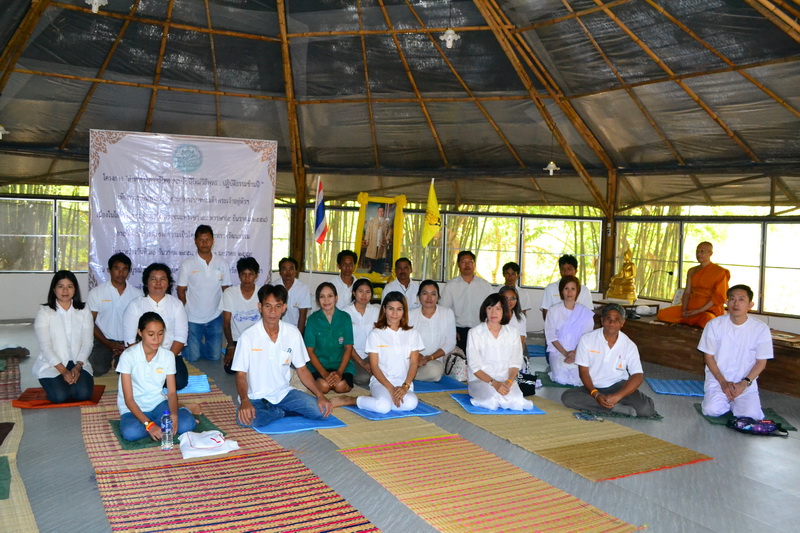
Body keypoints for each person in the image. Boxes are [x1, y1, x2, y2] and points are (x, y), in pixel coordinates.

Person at [232, 284, 335, 430]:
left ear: (284, 308)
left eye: (278, 306)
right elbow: (241, 375)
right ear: (260, 307)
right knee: (245, 421)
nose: (272, 311)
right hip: (255, 397)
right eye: (268, 306)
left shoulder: (293, 333)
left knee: (321, 411)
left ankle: (275, 411)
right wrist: (244, 401)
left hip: (283, 394)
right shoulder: (248, 336)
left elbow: (302, 369)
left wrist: (320, 395)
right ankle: (280, 412)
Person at [561, 304, 655, 417]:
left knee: (646, 409)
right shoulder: (587, 339)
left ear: (622, 323)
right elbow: (583, 372)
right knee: (568, 398)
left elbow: (637, 375)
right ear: (602, 320)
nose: (611, 323)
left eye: (616, 319)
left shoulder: (629, 345)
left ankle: (612, 403)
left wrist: (618, 396)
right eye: (608, 318)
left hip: (618, 386)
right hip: (593, 386)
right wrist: (595, 394)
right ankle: (616, 408)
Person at [117, 312, 197, 441]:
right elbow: (128, 399)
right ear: (140, 332)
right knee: (131, 433)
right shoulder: (128, 356)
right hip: (132, 408)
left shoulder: (168, 356)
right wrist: (149, 425)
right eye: (151, 334)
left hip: (158, 404)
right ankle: (159, 424)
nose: (156, 339)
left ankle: (179, 411)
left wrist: (174, 415)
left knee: (187, 424)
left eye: (160, 334)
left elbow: (171, 392)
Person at [340, 292, 423, 413]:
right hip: (381, 382)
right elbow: (374, 366)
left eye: (399, 309)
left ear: (404, 311)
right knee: (383, 407)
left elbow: (414, 363)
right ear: (384, 309)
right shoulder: (375, 334)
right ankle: (351, 400)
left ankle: (380, 400)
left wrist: (405, 386)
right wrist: (390, 389)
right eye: (391, 309)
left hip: (403, 383)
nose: (394, 313)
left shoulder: (413, 333)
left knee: (411, 403)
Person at [699, 285, 772, 419]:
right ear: (727, 303)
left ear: (750, 305)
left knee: (751, 415)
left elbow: (761, 362)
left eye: (741, 299)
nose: (736, 303)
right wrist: (722, 382)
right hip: (718, 380)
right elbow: (708, 357)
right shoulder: (714, 325)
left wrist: (744, 383)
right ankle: (728, 401)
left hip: (746, 382)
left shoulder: (761, 329)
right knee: (711, 410)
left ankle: (734, 402)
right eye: (732, 299)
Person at [32, 270, 95, 403]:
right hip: (53, 363)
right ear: (54, 289)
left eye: (69, 286)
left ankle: (69, 384)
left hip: (78, 361)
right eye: (61, 286)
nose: (65, 290)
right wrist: (64, 371)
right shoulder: (44, 312)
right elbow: (46, 347)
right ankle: (59, 385)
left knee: (83, 394)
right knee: (59, 396)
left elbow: (87, 343)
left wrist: (78, 366)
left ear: (75, 289)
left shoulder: (84, 310)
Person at [123, 263, 189, 390]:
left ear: (168, 283)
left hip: (170, 354)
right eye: (153, 279)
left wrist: (167, 360)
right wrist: (146, 360)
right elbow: (130, 339)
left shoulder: (176, 304)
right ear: (146, 283)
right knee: (137, 380)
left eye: (162, 279)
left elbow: (181, 336)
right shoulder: (135, 305)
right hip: (142, 356)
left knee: (179, 382)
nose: (158, 283)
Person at [466, 293, 533, 411]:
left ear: (504, 311)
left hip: (505, 379)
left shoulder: (513, 332)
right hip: (482, 380)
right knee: (492, 401)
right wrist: (495, 383)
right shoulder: (474, 333)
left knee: (517, 401)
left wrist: (509, 381)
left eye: (498, 309)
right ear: (485, 310)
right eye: (490, 308)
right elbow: (474, 367)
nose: (493, 313)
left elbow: (515, 363)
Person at [177, 225, 231, 362]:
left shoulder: (222, 263)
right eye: (201, 240)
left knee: (214, 357)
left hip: (215, 316)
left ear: (213, 241)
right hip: (193, 318)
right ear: (195, 241)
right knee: (193, 357)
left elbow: (226, 290)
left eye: (207, 239)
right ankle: (191, 347)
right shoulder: (188, 264)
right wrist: (186, 309)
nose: (204, 243)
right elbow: (180, 290)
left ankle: (198, 346)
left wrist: (224, 311)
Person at [87, 253, 142, 376]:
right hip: (103, 340)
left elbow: (142, 324)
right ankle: (108, 358)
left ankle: (119, 361)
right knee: (96, 370)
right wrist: (108, 344)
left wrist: (130, 344)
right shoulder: (96, 293)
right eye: (117, 268)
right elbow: (90, 322)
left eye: (125, 269)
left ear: (129, 272)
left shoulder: (137, 294)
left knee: (129, 371)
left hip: (129, 341)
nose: (121, 273)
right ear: (109, 270)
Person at [657, 241, 730, 328]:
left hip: (707, 311)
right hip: (691, 308)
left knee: (708, 320)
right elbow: (687, 292)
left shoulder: (720, 272)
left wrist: (699, 311)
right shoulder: (692, 271)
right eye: (697, 251)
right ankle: (689, 319)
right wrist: (684, 309)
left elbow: (719, 296)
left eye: (702, 251)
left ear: (710, 253)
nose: (699, 254)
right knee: (662, 314)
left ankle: (688, 320)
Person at [304, 282, 355, 394]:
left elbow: (348, 348)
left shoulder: (345, 318)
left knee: (340, 386)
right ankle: (324, 380)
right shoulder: (312, 320)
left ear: (336, 298)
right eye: (322, 297)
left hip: (341, 365)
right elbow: (309, 351)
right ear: (317, 300)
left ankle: (337, 379)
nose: (326, 300)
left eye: (330, 296)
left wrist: (340, 372)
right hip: (318, 365)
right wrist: (324, 373)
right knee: (323, 386)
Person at [544, 275, 595, 386]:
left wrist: (574, 353)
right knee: (560, 378)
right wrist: (565, 353)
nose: (569, 292)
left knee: (579, 380)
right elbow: (550, 335)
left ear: (577, 292)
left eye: (573, 289)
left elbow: (587, 337)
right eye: (566, 288)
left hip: (579, 351)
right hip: (558, 351)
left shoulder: (585, 313)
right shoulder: (553, 310)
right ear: (561, 291)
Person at [440, 250, 494, 352]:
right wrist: (451, 331)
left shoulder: (485, 285)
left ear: (474, 264)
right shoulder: (451, 285)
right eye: (463, 262)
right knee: (459, 360)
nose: (467, 265)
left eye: (470, 262)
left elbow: (493, 308)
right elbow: (443, 311)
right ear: (458, 265)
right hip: (458, 332)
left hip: (480, 330)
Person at [408, 280, 456, 382]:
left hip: (434, 362)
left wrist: (429, 358)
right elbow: (405, 341)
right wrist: (418, 356)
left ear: (438, 297)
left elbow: (451, 343)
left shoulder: (447, 313)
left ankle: (409, 375)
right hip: (412, 359)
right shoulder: (410, 314)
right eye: (425, 293)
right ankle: (410, 373)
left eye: (433, 294)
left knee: (435, 371)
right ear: (419, 296)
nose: (429, 298)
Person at [221, 257, 262, 374]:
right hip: (237, 340)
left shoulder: (262, 292)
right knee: (230, 369)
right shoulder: (229, 293)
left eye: (251, 274)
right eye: (244, 274)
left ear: (256, 275)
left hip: (257, 339)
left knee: (258, 368)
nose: (247, 278)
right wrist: (230, 346)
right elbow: (226, 323)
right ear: (239, 275)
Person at [343, 278, 379, 387]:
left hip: (372, 354)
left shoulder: (376, 311)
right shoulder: (345, 313)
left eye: (368, 292)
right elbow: (346, 343)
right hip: (351, 355)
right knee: (363, 378)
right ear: (354, 293)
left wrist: (372, 361)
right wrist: (362, 362)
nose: (364, 295)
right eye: (360, 291)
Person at [540, 254, 594, 320]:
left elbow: (588, 315)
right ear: (560, 271)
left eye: (569, 269)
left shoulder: (584, 290)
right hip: (556, 325)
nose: (566, 272)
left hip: (578, 325)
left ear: (576, 271)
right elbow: (546, 314)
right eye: (563, 269)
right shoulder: (551, 288)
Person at [273, 256, 311, 333]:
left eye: (291, 269)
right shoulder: (273, 287)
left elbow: (302, 315)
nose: (288, 272)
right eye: (284, 269)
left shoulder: (303, 288)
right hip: (276, 329)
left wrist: (299, 335)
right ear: (280, 272)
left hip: (295, 329)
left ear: (296, 271)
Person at [498, 286, 528, 363]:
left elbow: (521, 341)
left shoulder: (520, 317)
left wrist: (515, 360)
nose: (509, 302)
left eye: (512, 298)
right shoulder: (493, 315)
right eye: (505, 298)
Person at [364, 205, 391, 274]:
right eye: (379, 211)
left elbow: (389, 231)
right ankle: (372, 269)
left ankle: (379, 270)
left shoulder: (386, 222)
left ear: (384, 212)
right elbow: (368, 230)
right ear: (377, 212)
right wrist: (367, 239)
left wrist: (387, 239)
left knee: (381, 256)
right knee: (372, 255)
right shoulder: (373, 221)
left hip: (382, 241)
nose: (381, 213)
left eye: (382, 211)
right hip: (373, 240)